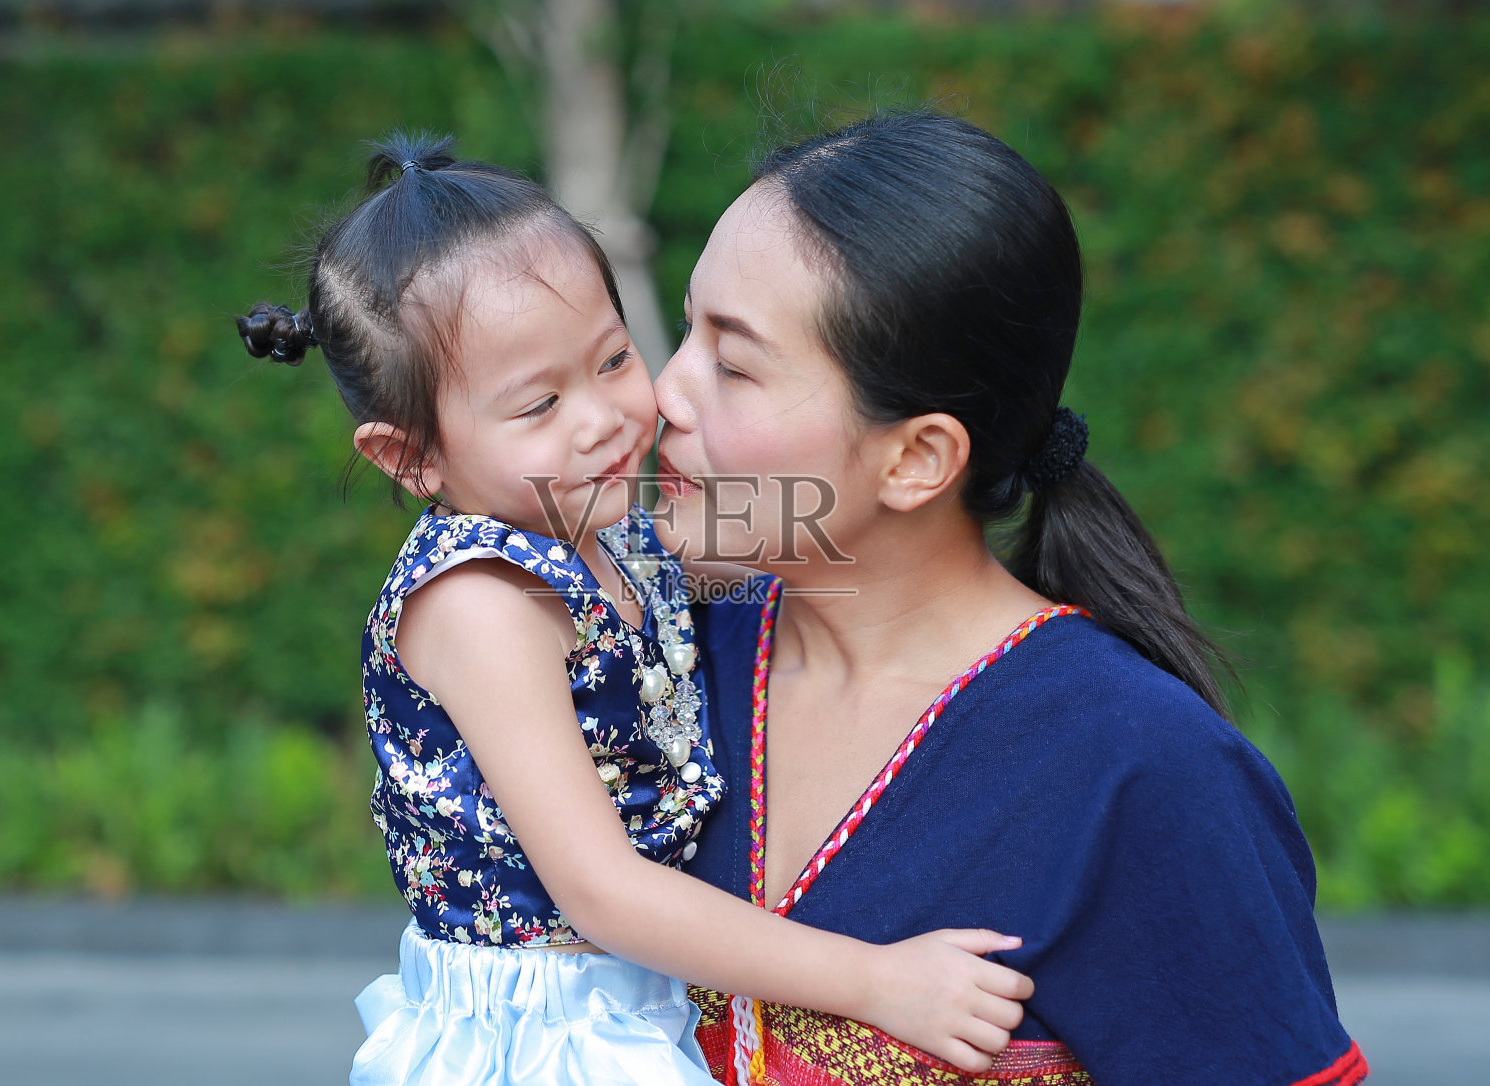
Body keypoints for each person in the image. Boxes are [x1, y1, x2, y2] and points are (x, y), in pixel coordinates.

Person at [235, 132, 1035, 1086]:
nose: (604, 417)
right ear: (411, 459)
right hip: (539, 1032)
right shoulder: (482, 598)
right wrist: (875, 982)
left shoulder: (603, 524)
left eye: (614, 360)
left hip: (628, 1000)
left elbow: (820, 522)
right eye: (538, 405)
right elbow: (604, 894)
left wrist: (946, 488)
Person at [656, 110, 1368, 1086]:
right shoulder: (657, 666)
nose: (663, 392)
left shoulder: (1144, 770)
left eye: (732, 364)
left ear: (916, 458)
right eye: (685, 327)